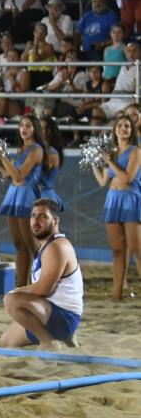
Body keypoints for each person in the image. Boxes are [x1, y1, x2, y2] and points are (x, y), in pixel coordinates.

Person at [0, 199, 84, 350]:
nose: (36, 220)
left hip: (63, 318)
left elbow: (44, 289)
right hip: (54, 313)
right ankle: (68, 341)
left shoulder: (57, 246)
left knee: (11, 300)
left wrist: (17, 291)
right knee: (7, 340)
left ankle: (48, 342)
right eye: (33, 215)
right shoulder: (45, 245)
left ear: (55, 220)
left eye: (43, 216)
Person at [91, 115, 140, 301]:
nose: (123, 129)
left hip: (131, 200)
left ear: (131, 130)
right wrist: (96, 163)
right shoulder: (112, 152)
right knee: (118, 250)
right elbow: (104, 181)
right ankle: (117, 294)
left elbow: (128, 178)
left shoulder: (136, 151)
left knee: (136, 249)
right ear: (115, 130)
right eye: (119, 126)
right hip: (113, 200)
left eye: (127, 126)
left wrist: (109, 161)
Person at [0, 114, 47, 288]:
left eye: (28, 126)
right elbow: (8, 175)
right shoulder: (21, 150)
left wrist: (2, 156)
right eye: (22, 125)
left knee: (31, 244)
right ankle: (21, 284)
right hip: (14, 195)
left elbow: (20, 175)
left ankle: (41, 282)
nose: (24, 129)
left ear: (35, 129)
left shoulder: (37, 150)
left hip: (27, 197)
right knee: (19, 244)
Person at [38, 117, 66, 211]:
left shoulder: (52, 154)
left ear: (48, 132)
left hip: (44, 198)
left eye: (40, 128)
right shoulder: (35, 150)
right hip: (32, 195)